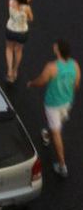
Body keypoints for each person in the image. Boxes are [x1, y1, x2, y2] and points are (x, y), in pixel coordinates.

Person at [28, 40, 80, 178]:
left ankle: (62, 165)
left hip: (53, 105)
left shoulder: (51, 67)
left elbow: (42, 81)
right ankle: (47, 134)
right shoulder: (74, 64)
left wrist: (31, 83)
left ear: (58, 51)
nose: (53, 47)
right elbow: (76, 84)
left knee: (57, 133)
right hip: (67, 103)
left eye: (55, 47)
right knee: (55, 125)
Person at [5, 0, 33, 84]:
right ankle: (14, 70)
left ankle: (9, 70)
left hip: (10, 29)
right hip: (22, 32)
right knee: (18, 50)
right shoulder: (27, 8)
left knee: (9, 48)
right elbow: (31, 19)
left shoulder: (11, 1)